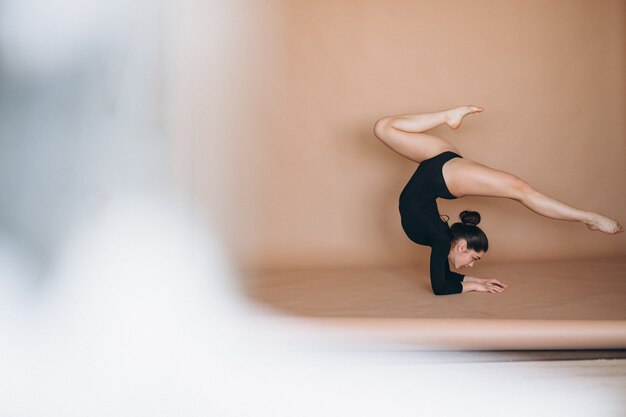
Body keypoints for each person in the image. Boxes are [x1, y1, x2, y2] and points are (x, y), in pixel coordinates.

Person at [373, 105, 624, 296]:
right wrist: (475, 284)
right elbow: (442, 280)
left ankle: (589, 217)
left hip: (439, 171)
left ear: (460, 245)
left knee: (522, 191)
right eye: (475, 259)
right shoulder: (439, 238)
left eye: (473, 260)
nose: (470, 266)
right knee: (382, 128)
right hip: (437, 165)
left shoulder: (440, 240)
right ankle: (450, 115)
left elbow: (440, 285)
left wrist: (472, 284)